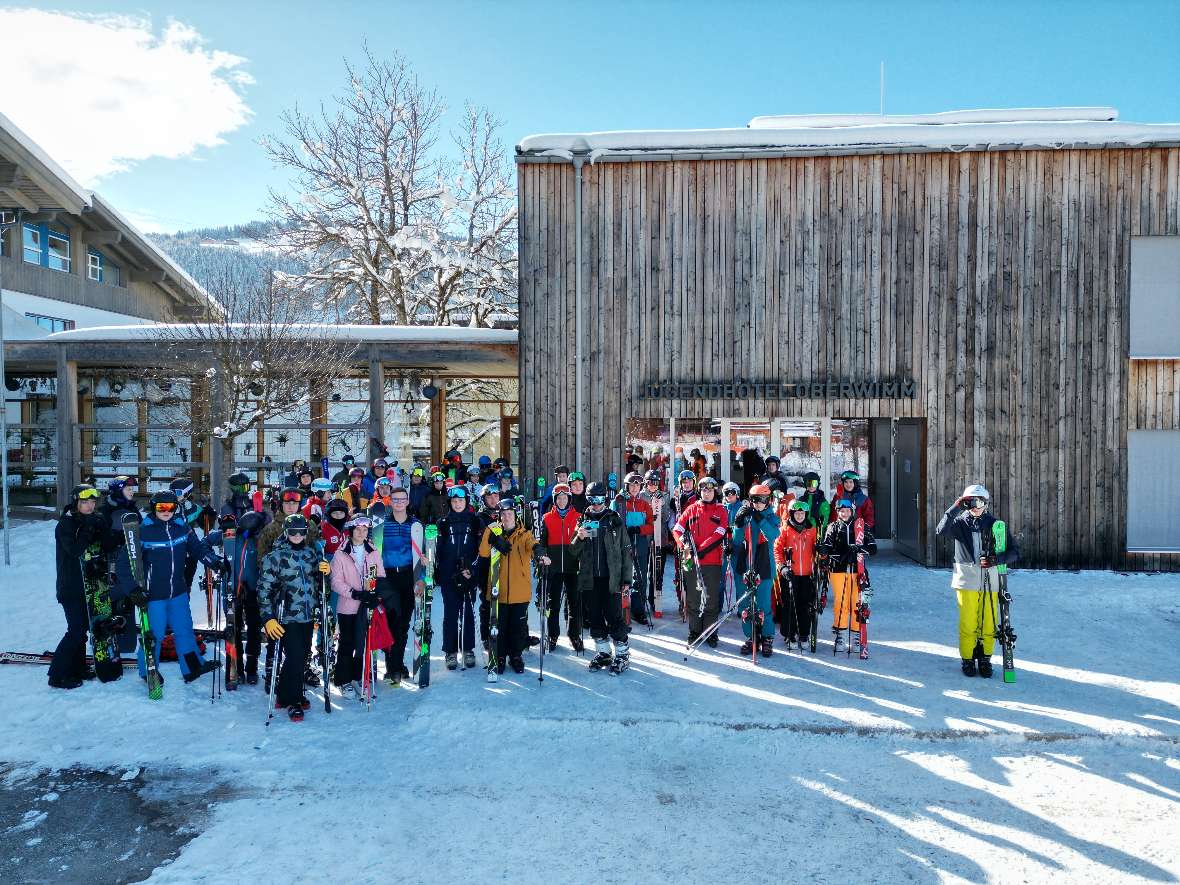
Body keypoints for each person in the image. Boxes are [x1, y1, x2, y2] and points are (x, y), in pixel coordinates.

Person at [115, 490, 227, 684]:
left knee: (184, 630)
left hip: (178, 591)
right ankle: (148, 671)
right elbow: (123, 564)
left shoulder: (181, 526)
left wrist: (214, 561)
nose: (166, 511)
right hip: (154, 595)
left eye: (171, 507)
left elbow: (197, 549)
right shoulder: (143, 530)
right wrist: (133, 589)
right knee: (155, 634)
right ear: (153, 507)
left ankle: (192, 667)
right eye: (161, 507)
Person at [935, 484, 1020, 677]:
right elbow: (940, 530)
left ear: (986, 504)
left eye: (979, 502)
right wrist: (956, 507)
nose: (975, 506)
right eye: (971, 502)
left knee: (989, 622)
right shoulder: (958, 523)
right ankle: (967, 658)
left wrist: (996, 560)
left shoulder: (995, 524)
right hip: (966, 579)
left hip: (991, 579)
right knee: (968, 622)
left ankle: (985, 658)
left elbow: (1015, 552)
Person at [260, 514, 332, 721]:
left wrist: (325, 572)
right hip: (287, 617)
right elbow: (263, 589)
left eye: (301, 532)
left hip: (307, 615)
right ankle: (294, 700)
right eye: (293, 532)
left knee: (301, 656)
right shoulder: (276, 556)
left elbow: (319, 583)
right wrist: (268, 618)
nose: (297, 536)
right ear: (286, 531)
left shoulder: (311, 553)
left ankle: (285, 693)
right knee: (295, 656)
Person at [570, 482, 633, 672]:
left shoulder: (614, 520)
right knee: (595, 617)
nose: (595, 504)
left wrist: (626, 580)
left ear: (605, 499)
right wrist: (579, 538)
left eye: (599, 499)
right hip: (590, 579)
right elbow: (573, 551)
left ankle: (622, 654)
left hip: (611, 579)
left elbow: (626, 550)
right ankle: (604, 652)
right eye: (591, 500)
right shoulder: (583, 520)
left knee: (614, 617)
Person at [49, 484, 107, 688]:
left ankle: (79, 668)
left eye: (92, 502)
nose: (90, 506)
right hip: (70, 587)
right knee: (75, 631)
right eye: (85, 502)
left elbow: (103, 543)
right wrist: (88, 528)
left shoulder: (89, 519)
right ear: (76, 503)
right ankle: (57, 675)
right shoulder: (66, 524)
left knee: (83, 629)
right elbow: (74, 550)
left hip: (87, 584)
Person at [479, 499, 540, 675]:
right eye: (503, 514)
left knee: (517, 628)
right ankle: (499, 656)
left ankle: (516, 656)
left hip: (520, 591)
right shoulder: (493, 530)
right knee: (499, 628)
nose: (506, 517)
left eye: (510, 514)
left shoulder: (524, 533)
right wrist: (491, 536)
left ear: (515, 515)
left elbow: (532, 544)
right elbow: (483, 552)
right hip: (498, 591)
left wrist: (540, 552)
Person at [329, 514, 383, 697]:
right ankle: (343, 679)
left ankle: (358, 674)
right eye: (358, 529)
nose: (361, 533)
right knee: (347, 643)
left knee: (363, 643)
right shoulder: (341, 553)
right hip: (348, 606)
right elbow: (335, 582)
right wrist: (354, 593)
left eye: (365, 530)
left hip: (367, 605)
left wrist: (376, 594)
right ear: (351, 531)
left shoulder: (372, 550)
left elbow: (380, 574)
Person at [672, 476, 728, 646]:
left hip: (712, 561)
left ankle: (710, 633)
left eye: (710, 490)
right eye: (704, 490)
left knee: (710, 599)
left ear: (715, 491)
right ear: (699, 491)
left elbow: (719, 533)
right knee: (694, 599)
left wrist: (701, 550)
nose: (707, 493)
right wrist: (684, 545)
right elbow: (677, 529)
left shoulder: (721, 510)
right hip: (691, 560)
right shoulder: (691, 509)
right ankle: (694, 632)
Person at [377, 486, 424, 684]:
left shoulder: (415, 525)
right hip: (387, 578)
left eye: (401, 499)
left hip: (407, 576)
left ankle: (396, 665)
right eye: (394, 499)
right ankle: (394, 667)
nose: (398, 502)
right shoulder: (381, 525)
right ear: (390, 501)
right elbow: (373, 550)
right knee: (390, 623)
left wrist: (421, 578)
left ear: (407, 501)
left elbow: (423, 555)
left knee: (403, 624)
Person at [817, 499, 877, 652]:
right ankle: (841, 633)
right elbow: (827, 545)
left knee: (856, 602)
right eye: (841, 511)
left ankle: (857, 636)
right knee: (841, 602)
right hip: (839, 570)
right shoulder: (833, 527)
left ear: (852, 511)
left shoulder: (861, 526)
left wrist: (859, 548)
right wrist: (824, 550)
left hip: (858, 570)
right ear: (837, 512)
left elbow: (873, 547)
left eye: (847, 510)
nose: (844, 513)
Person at [731, 484, 781, 656]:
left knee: (763, 604)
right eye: (755, 500)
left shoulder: (772, 516)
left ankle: (767, 637)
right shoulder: (747, 516)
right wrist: (738, 523)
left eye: (762, 500)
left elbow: (773, 535)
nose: (758, 504)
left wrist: (760, 519)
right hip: (745, 563)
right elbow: (736, 541)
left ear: (768, 501)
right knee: (745, 603)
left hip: (764, 564)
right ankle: (751, 636)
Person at [436, 486, 481, 669]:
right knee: (451, 613)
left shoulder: (475, 521)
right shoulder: (443, 522)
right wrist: (436, 569)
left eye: (461, 501)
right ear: (450, 502)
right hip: (449, 575)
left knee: (469, 612)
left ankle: (468, 649)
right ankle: (450, 651)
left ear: (466, 502)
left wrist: (473, 569)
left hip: (468, 572)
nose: (457, 504)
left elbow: (481, 548)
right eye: (454, 501)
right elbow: (437, 549)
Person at [537, 483, 584, 652]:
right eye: (559, 498)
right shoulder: (547, 518)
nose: (562, 500)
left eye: (565, 497)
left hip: (573, 567)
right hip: (554, 568)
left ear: (569, 499)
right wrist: (542, 555)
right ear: (555, 500)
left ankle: (574, 635)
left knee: (574, 604)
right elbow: (541, 543)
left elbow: (584, 543)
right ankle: (553, 635)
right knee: (553, 604)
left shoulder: (579, 517)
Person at [774, 499, 820, 648]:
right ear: (792, 514)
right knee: (789, 604)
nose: (799, 516)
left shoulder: (811, 529)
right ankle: (789, 634)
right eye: (796, 513)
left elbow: (816, 550)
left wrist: (822, 553)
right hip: (790, 574)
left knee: (804, 605)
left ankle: (804, 634)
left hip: (806, 574)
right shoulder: (785, 529)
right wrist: (782, 567)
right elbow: (777, 549)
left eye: (802, 513)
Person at [613, 472, 654, 624]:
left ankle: (638, 610)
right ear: (627, 486)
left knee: (641, 578)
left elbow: (651, 526)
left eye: (637, 485)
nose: (635, 487)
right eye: (632, 485)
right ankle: (621, 609)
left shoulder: (645, 504)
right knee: (624, 577)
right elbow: (613, 521)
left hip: (641, 543)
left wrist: (639, 529)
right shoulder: (620, 502)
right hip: (624, 544)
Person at [638, 470, 672, 617]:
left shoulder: (664, 496)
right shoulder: (640, 495)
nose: (652, 485)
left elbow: (665, 518)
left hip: (660, 538)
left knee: (657, 571)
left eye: (655, 482)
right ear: (645, 483)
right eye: (650, 482)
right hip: (644, 537)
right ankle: (640, 601)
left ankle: (654, 600)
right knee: (641, 571)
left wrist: (661, 504)